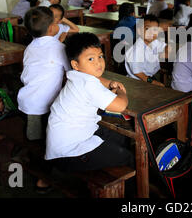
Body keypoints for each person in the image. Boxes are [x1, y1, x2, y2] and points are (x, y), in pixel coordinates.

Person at [46, 32, 134, 173]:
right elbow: (121, 106)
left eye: (100, 56)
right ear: (76, 64)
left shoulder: (77, 76)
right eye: (91, 59)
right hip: (69, 154)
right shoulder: (88, 85)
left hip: (65, 143)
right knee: (128, 157)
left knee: (120, 137)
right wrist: (121, 91)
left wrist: (111, 82)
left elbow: (97, 80)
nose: (98, 62)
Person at [17, 7, 70, 192]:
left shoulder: (30, 47)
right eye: (56, 22)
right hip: (42, 106)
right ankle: (42, 179)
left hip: (27, 101)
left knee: (35, 137)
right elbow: (73, 73)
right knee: (45, 142)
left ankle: (31, 157)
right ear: (51, 28)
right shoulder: (58, 47)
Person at [125, 15, 167, 87]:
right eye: (147, 28)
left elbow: (164, 46)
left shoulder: (154, 42)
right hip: (136, 81)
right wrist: (153, 82)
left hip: (149, 76)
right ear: (139, 30)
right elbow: (138, 73)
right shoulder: (136, 50)